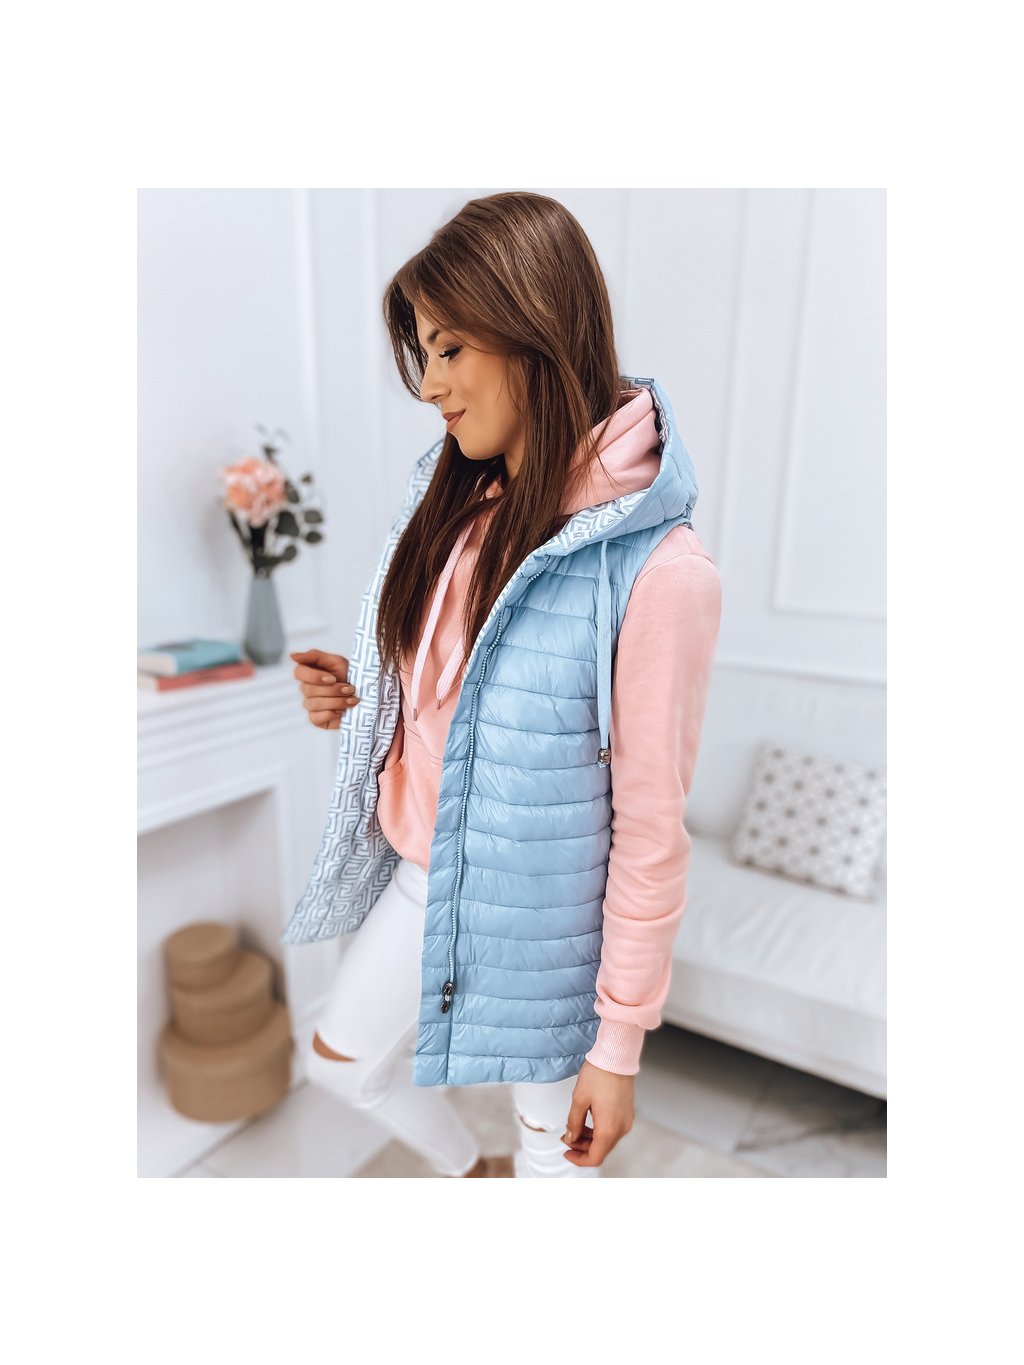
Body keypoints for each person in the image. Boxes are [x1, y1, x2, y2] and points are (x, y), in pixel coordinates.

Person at [280, 191, 723, 1178]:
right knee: (337, 1062)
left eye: (450, 349)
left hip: (547, 930)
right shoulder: (458, 507)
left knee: (551, 1163)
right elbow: (460, 706)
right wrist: (360, 697)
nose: (431, 385)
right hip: (425, 875)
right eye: (424, 353)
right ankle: (469, 1173)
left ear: (533, 329)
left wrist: (618, 1046)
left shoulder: (662, 570)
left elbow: (651, 828)